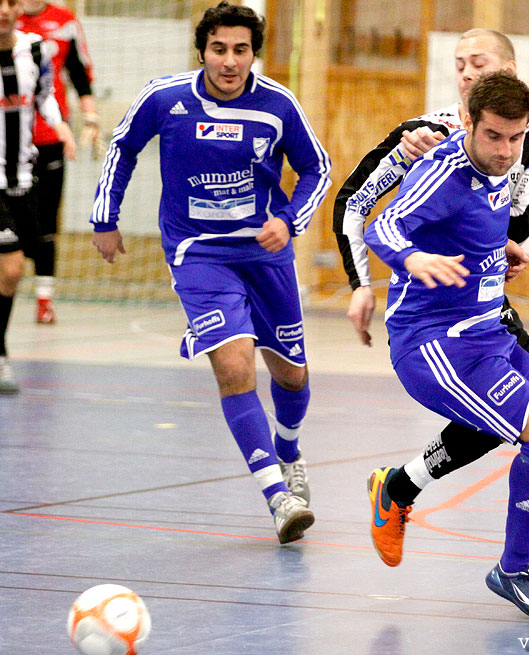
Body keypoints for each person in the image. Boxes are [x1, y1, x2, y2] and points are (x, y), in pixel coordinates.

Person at [334, 28, 529, 606]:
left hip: (489, 329)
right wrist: (411, 260)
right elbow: (381, 224)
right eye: (495, 137)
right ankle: (516, 567)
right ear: (472, 121)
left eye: (514, 139)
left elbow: (482, 219)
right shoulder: (441, 165)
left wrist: (499, 252)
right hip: (438, 342)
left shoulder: (509, 160)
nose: (506, 151)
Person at [90, 2, 331, 544]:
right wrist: (105, 218)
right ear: (202, 50)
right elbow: (122, 149)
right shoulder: (165, 97)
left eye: (240, 50)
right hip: (198, 257)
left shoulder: (277, 105)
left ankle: (288, 451)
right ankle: (277, 497)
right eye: (218, 49)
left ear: (254, 54)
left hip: (265, 257)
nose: (229, 61)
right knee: (233, 366)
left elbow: (318, 166)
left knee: (291, 374)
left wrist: (289, 223)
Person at [0, 0, 76, 394]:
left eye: (10, 2)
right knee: (9, 268)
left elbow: (46, 94)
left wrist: (61, 126)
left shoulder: (33, 49)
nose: (3, 10)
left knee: (12, 274)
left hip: (22, 178)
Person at [17, 0, 103, 324]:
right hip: (7, 142)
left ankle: (44, 299)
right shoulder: (7, 19)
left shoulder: (65, 21)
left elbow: (80, 75)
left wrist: (90, 119)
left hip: (51, 138)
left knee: (46, 222)